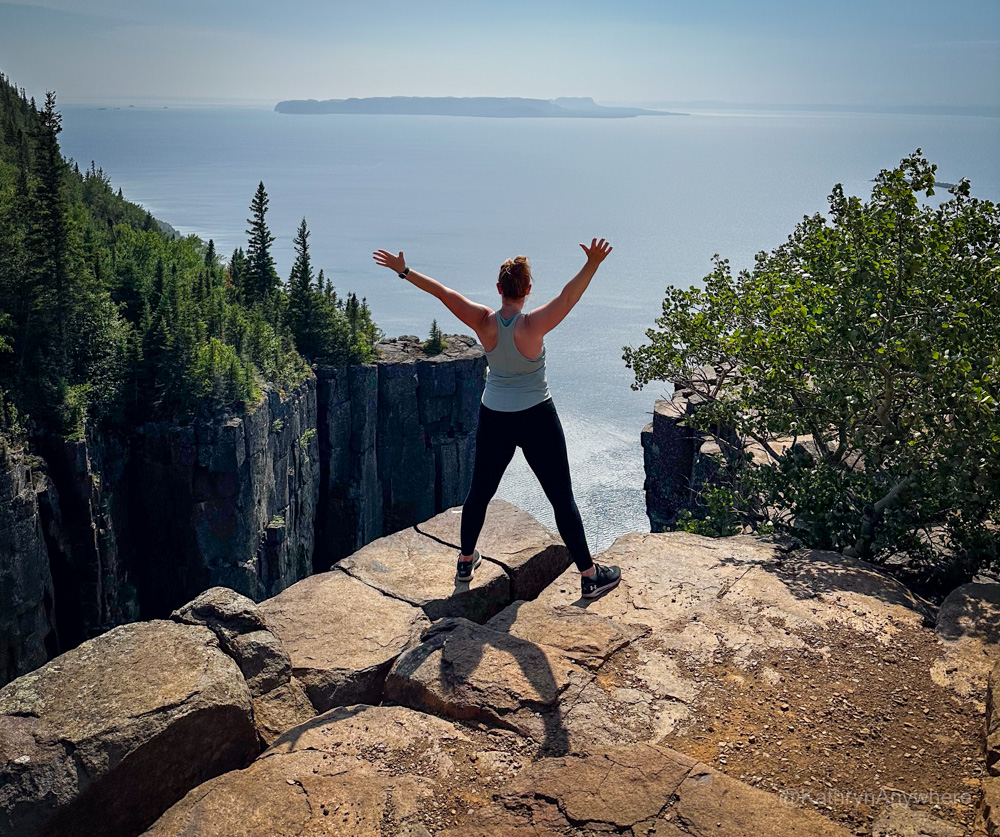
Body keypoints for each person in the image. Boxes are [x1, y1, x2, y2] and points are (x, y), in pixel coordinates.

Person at [372, 239, 621, 599]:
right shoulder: (533, 325)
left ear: (499, 289)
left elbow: (443, 293)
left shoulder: (483, 321)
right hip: (537, 417)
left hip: (496, 417)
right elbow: (569, 298)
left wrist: (404, 271)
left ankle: (465, 560)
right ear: (528, 290)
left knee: (479, 494)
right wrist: (593, 263)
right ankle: (589, 574)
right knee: (561, 499)